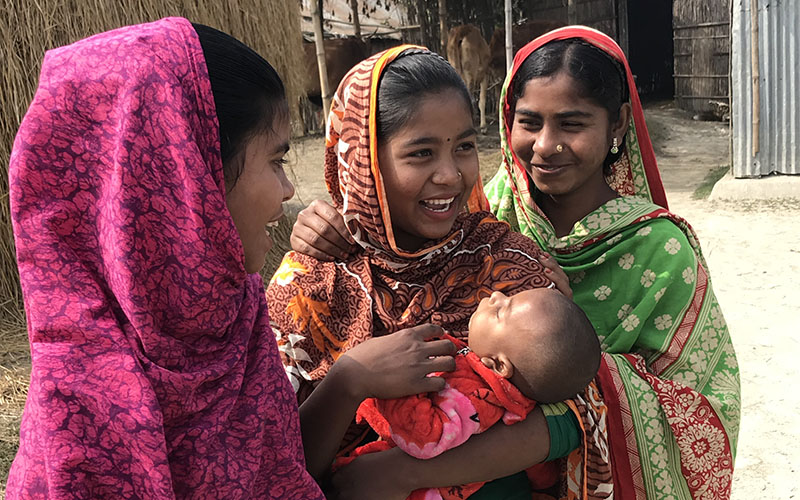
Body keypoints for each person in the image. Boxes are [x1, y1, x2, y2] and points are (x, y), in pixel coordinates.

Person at [287, 26, 741, 499]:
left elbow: (598, 404)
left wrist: (408, 471)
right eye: (528, 122)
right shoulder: (491, 210)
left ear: (619, 124)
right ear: (361, 159)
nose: (545, 145)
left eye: (572, 123)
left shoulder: (520, 250)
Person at [7, 18, 324, 499]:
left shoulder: (235, 318)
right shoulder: (81, 408)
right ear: (184, 179)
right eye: (276, 161)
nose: (288, 190)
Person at [266, 45, 579, 499]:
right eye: (421, 153)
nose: (451, 175)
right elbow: (272, 466)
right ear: (363, 163)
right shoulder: (310, 282)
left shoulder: (503, 260)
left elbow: (577, 413)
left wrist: (405, 470)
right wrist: (350, 380)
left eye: (465, 147)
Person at [338, 288, 601, 500]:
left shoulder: (472, 399)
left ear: (499, 365)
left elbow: (424, 436)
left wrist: (394, 386)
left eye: (500, 311)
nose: (496, 295)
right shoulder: (515, 401)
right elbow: (542, 472)